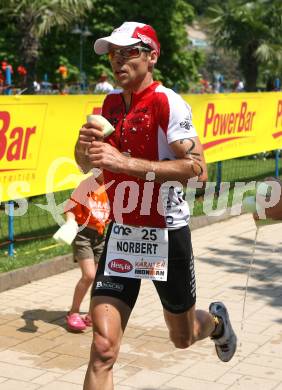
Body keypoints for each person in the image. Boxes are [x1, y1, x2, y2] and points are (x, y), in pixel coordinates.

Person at [75, 21, 237, 389]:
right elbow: (86, 164)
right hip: (122, 235)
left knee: (180, 338)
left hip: (167, 235)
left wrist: (124, 163)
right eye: (113, 54)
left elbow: (199, 172)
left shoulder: (167, 101)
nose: (118, 61)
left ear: (151, 57)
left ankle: (216, 324)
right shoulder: (111, 104)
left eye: (128, 52)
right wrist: (83, 148)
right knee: (102, 348)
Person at [64, 175, 110, 332]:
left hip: (101, 235)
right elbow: (71, 207)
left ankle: (92, 313)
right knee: (89, 275)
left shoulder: (115, 185)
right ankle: (73, 312)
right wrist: (70, 222)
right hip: (83, 234)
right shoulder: (87, 185)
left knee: (99, 277)